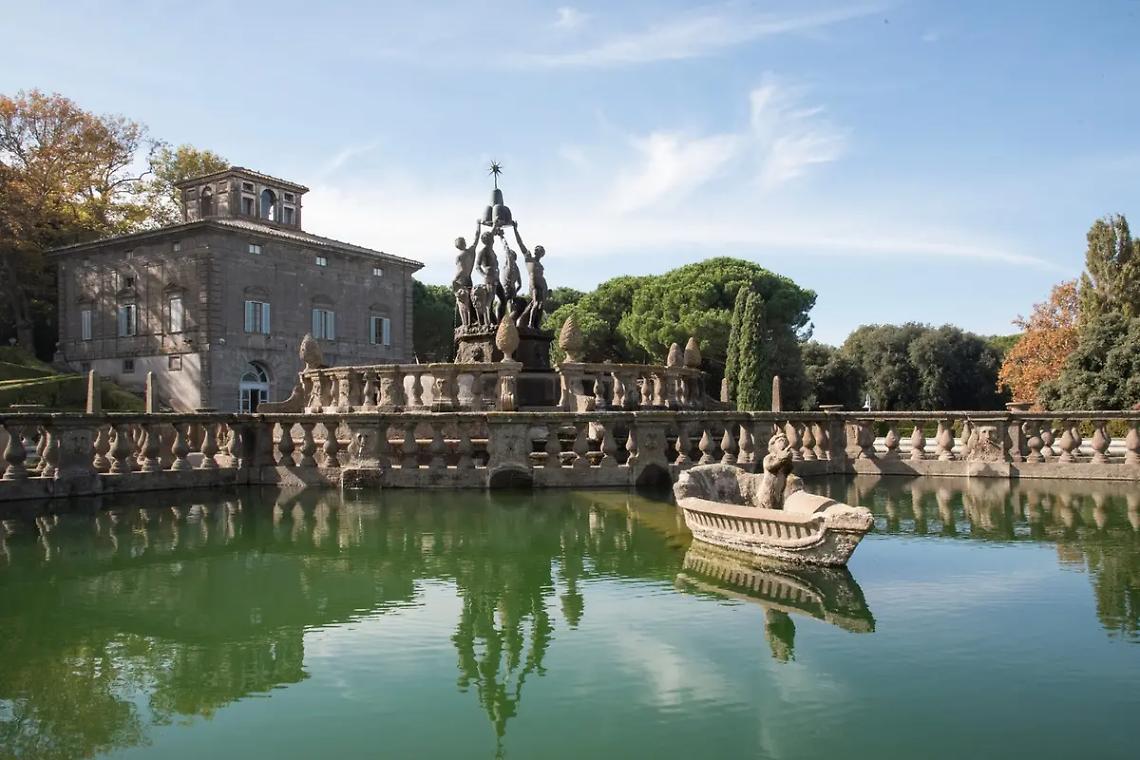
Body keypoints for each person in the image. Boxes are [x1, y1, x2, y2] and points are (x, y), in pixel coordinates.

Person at [510, 222, 548, 328]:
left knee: (540, 307)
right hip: (534, 285)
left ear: (542, 254)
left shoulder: (540, 265)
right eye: (536, 248)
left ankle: (536, 325)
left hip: (542, 287)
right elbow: (520, 244)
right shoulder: (529, 259)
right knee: (535, 303)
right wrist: (515, 229)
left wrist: (545, 290)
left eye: (540, 250)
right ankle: (530, 324)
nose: (537, 250)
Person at [451, 224, 479, 327]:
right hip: (469, 279)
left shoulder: (459, 256)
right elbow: (476, 238)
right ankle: (473, 321)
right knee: (471, 303)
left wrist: (454, 280)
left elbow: (461, 270)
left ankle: (465, 324)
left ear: (457, 245)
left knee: (462, 304)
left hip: (461, 281)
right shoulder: (471, 251)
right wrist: (478, 225)